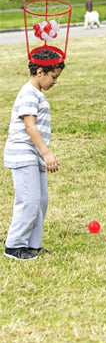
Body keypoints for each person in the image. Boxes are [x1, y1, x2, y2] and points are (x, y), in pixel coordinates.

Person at [4, 49, 65, 260]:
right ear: (40, 72)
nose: (55, 82)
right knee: (28, 200)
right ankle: (14, 245)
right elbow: (30, 126)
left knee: (40, 200)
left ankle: (32, 244)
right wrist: (47, 153)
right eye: (53, 77)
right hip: (23, 153)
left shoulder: (36, 93)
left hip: (33, 155)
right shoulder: (29, 93)